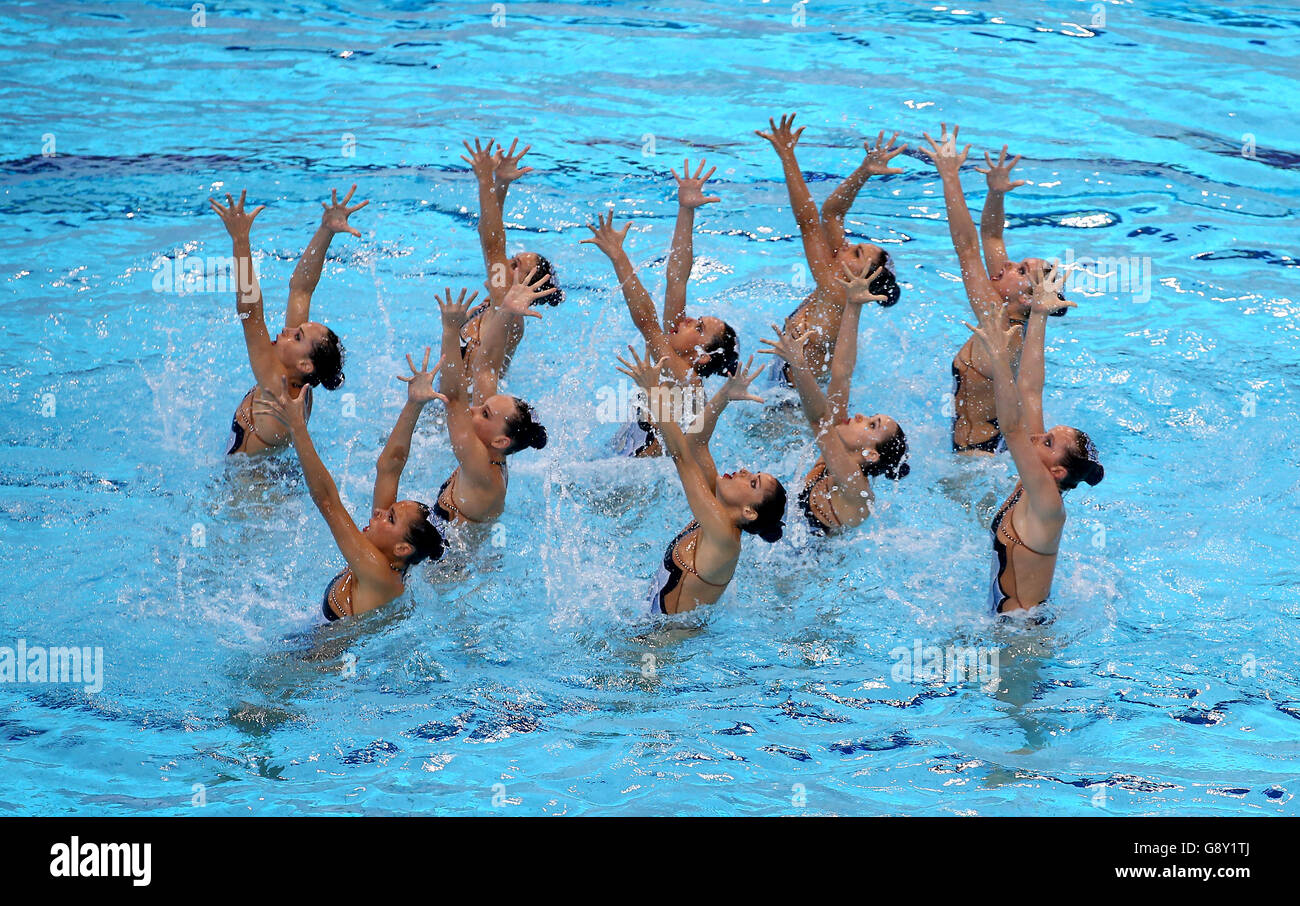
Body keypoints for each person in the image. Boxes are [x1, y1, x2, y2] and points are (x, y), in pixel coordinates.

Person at [252, 353, 446, 621]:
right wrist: (413, 404)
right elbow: (389, 467)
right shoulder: (387, 554)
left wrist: (298, 427)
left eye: (390, 518)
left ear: (402, 548)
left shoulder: (378, 571)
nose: (379, 513)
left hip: (321, 660)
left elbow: (328, 503)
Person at [964, 263, 1103, 614]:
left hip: (1020, 642)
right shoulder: (1034, 481)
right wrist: (1038, 314)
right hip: (1003, 627)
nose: (1038, 436)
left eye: (1048, 443)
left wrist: (998, 361)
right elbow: (1030, 391)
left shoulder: (1048, 506)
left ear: (1057, 472)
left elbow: (1010, 428)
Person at [923, 128, 1068, 453]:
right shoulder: (1015, 313)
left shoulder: (998, 321)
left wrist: (949, 176)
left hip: (974, 463)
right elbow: (991, 237)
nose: (1005, 265)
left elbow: (967, 247)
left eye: (1018, 270)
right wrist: (996, 193)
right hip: (991, 447)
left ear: (1026, 297)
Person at [581, 162, 740, 455]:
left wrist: (619, 257)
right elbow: (677, 278)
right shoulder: (676, 358)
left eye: (699, 327)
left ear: (702, 357)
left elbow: (646, 322)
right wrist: (686, 210)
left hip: (634, 478)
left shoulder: (688, 380)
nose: (689, 319)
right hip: (625, 451)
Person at [616, 347, 787, 615]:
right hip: (649, 627)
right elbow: (695, 444)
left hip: (659, 645)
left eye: (753, 483)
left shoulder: (724, 538)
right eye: (753, 474)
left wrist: (653, 391)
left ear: (748, 512)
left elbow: (681, 457)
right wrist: (724, 396)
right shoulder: (716, 510)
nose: (743, 471)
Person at [759, 265, 910, 536]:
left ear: (871, 454)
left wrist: (799, 365)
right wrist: (853, 306)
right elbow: (842, 375)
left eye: (872, 425)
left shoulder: (856, 489)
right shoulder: (838, 450)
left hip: (806, 571)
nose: (861, 416)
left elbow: (818, 420)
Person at [755, 114, 904, 387]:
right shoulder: (838, 283)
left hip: (789, 407)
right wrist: (864, 172)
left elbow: (809, 222)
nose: (846, 245)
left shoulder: (836, 290)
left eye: (856, 253)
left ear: (859, 279)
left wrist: (787, 156)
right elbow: (832, 214)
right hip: (788, 382)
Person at [210, 187, 361, 456]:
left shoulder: (276, 386)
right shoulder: (300, 381)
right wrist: (326, 231)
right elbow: (301, 289)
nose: (288, 330)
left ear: (305, 363)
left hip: (246, 494)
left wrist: (240, 239)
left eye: (298, 337)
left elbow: (250, 314)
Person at [428, 273, 551, 529]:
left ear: (500, 441)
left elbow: (453, 399)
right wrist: (505, 311)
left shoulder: (482, 469)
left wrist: (450, 332)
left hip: (449, 566)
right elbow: (486, 367)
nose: (473, 409)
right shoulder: (492, 448)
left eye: (484, 413)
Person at [458, 138, 563, 379]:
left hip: (472, 415)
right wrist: (501, 184)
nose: (505, 262)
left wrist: (486, 180)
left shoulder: (508, 313)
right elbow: (487, 233)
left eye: (515, 265)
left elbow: (493, 244)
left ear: (525, 286)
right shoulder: (492, 305)